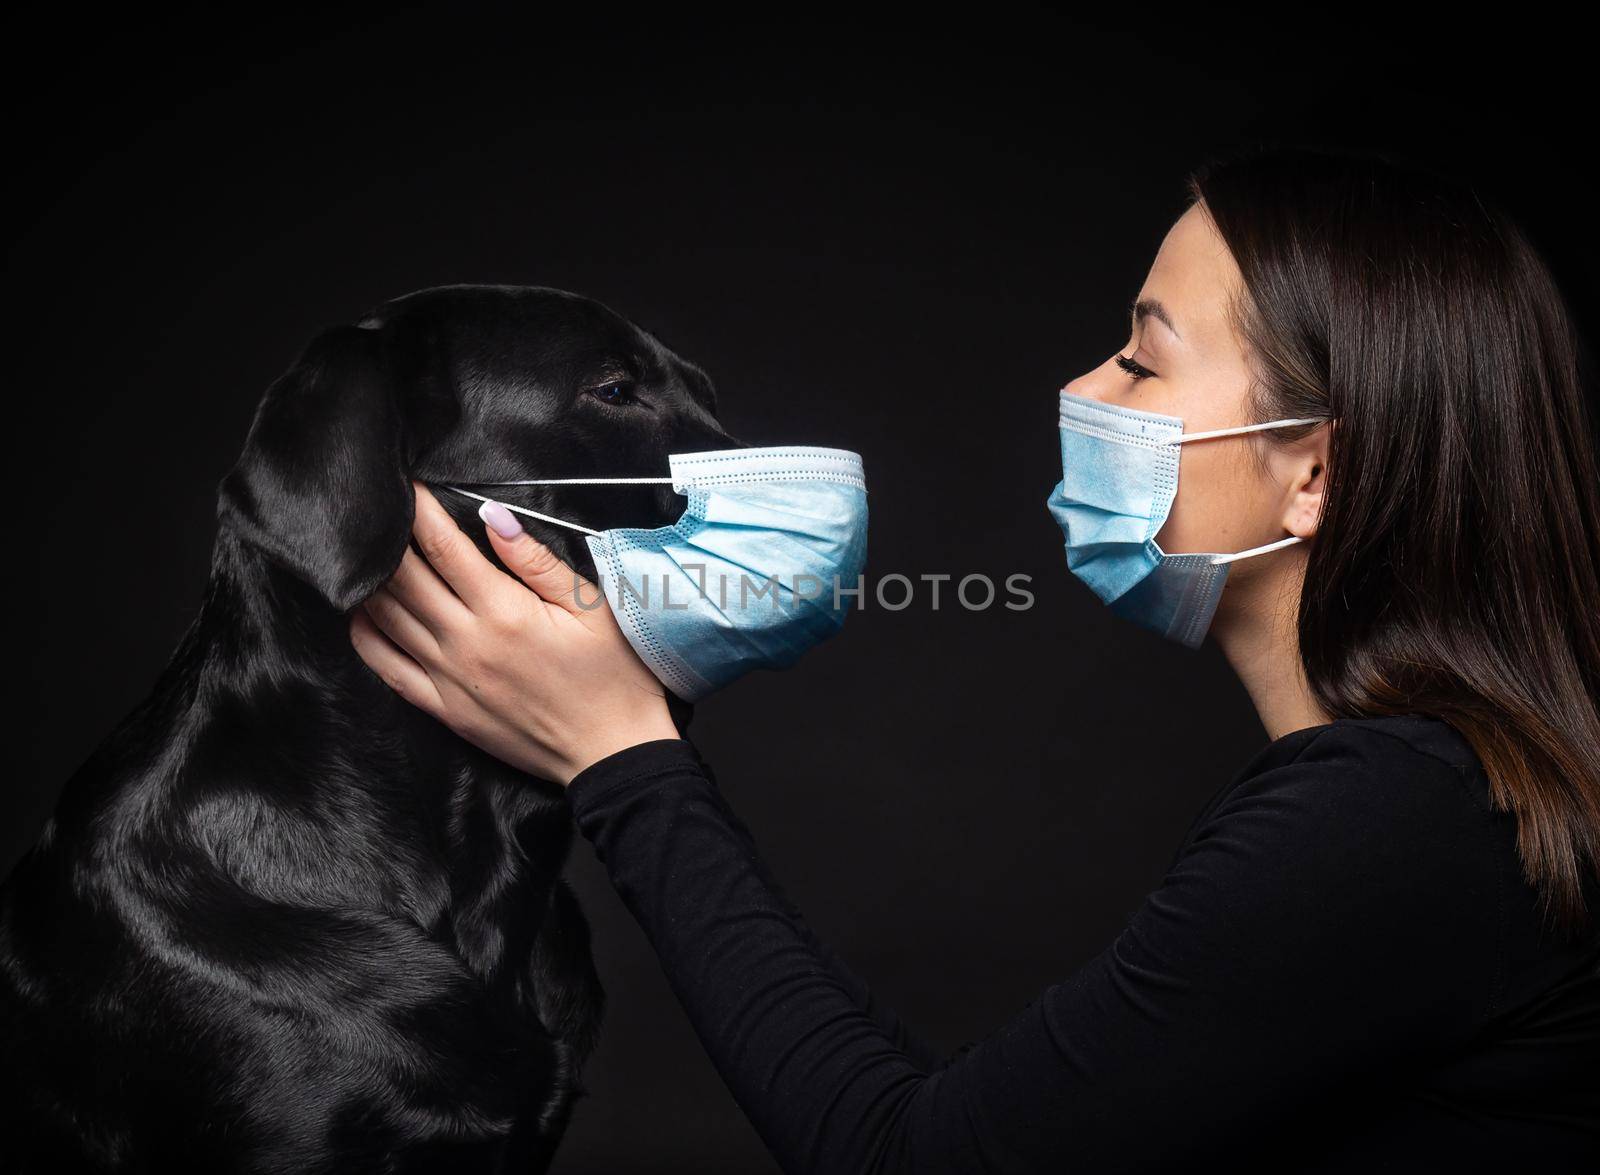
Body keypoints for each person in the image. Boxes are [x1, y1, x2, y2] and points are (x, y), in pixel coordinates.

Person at [347, 148, 1600, 1171]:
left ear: (1314, 469)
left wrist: (621, 754)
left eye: (1142, 357)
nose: (1082, 385)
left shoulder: (1386, 818)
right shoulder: (1430, 804)